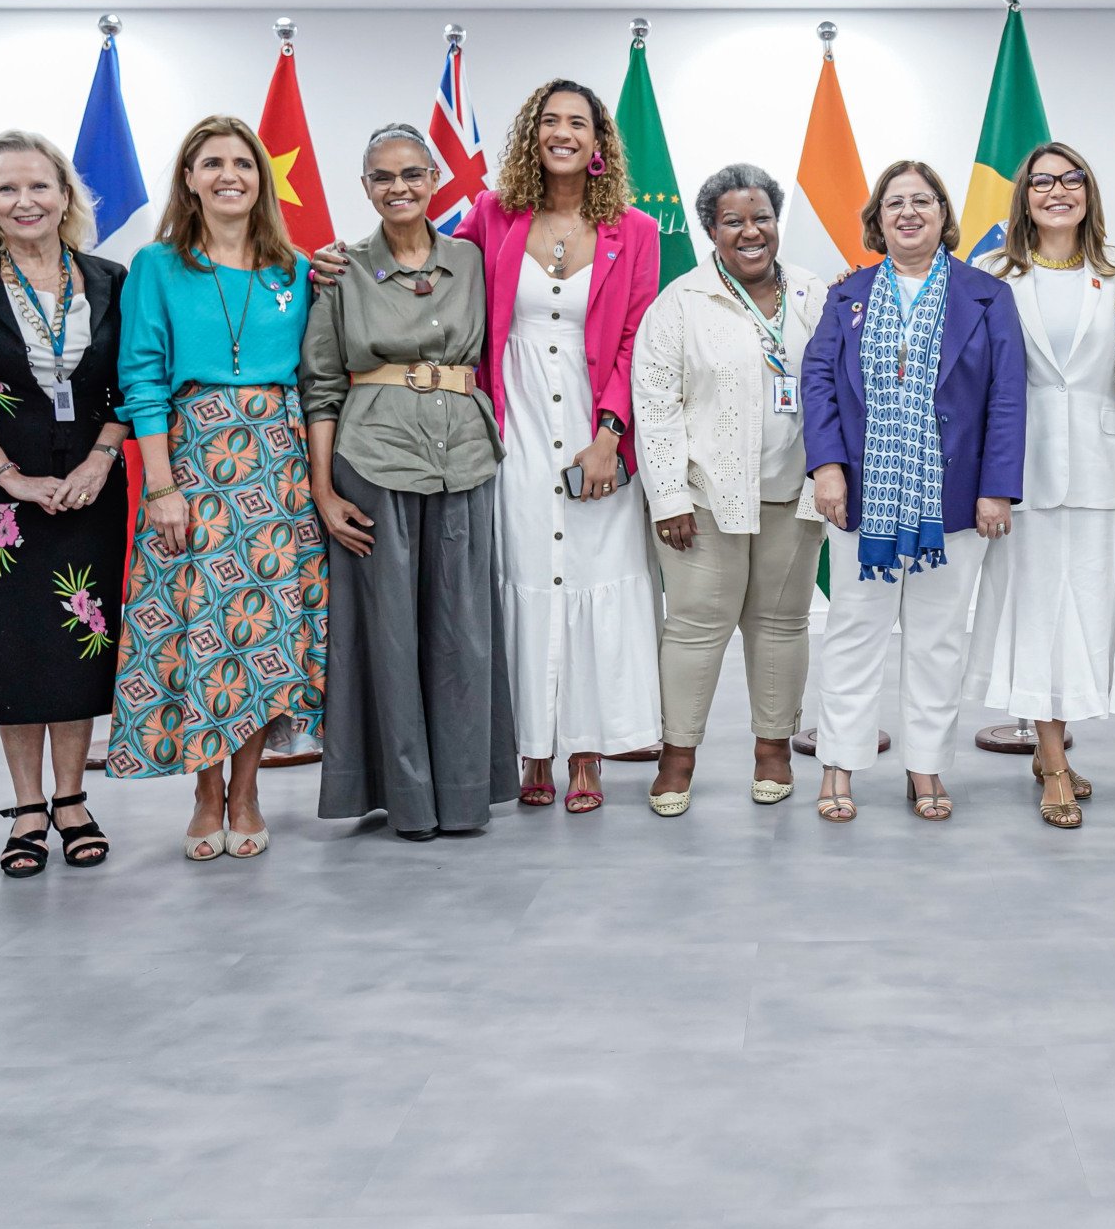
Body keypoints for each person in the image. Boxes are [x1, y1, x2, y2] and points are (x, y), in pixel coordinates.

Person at [109, 115, 325, 861]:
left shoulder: (293, 270)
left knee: (264, 633)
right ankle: (205, 791)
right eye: (212, 162)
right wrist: (161, 486)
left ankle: (248, 790)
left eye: (243, 162)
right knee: (199, 630)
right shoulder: (158, 265)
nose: (229, 173)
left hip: (277, 466)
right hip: (194, 463)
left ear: (262, 178)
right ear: (190, 178)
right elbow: (139, 377)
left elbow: (316, 372)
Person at [300, 124, 516, 841]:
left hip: (463, 457)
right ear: (365, 186)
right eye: (383, 176)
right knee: (388, 632)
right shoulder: (340, 269)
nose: (399, 187)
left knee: (463, 628)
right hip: (374, 457)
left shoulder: (471, 259)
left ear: (433, 181)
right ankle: (406, 798)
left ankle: (462, 792)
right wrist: (325, 490)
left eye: (412, 174)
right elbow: (322, 386)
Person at [0, 131, 131, 876]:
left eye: (39, 186)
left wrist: (102, 459)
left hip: (89, 490)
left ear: (66, 195)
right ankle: (26, 809)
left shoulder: (111, 277)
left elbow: (132, 383)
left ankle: (73, 799)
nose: (24, 201)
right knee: (13, 646)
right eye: (6, 188)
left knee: (77, 645)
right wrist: (10, 475)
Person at [458, 81, 662, 812]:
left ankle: (586, 752)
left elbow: (637, 336)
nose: (563, 131)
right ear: (531, 134)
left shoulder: (635, 230)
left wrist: (609, 435)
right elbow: (431, 274)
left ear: (600, 141)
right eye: (550, 120)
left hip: (592, 423)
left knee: (594, 575)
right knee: (525, 577)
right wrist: (356, 268)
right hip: (513, 429)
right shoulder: (492, 214)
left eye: (579, 121)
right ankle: (530, 748)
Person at [801, 160, 1023, 822]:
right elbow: (817, 384)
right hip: (862, 499)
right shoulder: (848, 297)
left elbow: (1007, 398)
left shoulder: (987, 296)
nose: (908, 212)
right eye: (894, 202)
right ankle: (838, 763)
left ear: (942, 214)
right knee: (852, 632)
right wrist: (828, 467)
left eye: (921, 200)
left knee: (937, 638)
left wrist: (996, 488)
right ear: (877, 219)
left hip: (954, 502)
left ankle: (925, 766)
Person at [633, 164, 828, 815]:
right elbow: (656, 407)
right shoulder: (680, 303)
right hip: (705, 497)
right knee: (694, 628)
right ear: (711, 229)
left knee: (780, 625)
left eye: (762, 217)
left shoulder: (811, 294)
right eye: (734, 221)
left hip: (793, 493)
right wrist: (669, 497)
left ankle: (772, 749)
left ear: (778, 222)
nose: (751, 232)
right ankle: (678, 756)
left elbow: (834, 387)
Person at [966, 142, 1115, 830]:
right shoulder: (992, 273)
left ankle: (1053, 746)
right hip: (1023, 467)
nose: (1058, 191)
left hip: (1105, 465)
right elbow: (976, 379)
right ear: (1025, 196)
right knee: (1037, 610)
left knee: (1087, 607)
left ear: (1089, 192)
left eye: (1071, 179)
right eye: (1043, 181)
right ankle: (1054, 759)